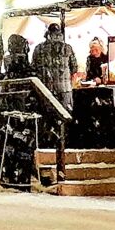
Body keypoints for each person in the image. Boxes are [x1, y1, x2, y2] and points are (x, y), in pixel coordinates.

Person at [31, 24, 78, 153]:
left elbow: (33, 68)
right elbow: (74, 68)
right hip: (64, 90)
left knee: (47, 118)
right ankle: (63, 144)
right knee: (64, 117)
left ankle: (49, 144)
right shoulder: (67, 48)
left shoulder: (39, 49)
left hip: (46, 90)